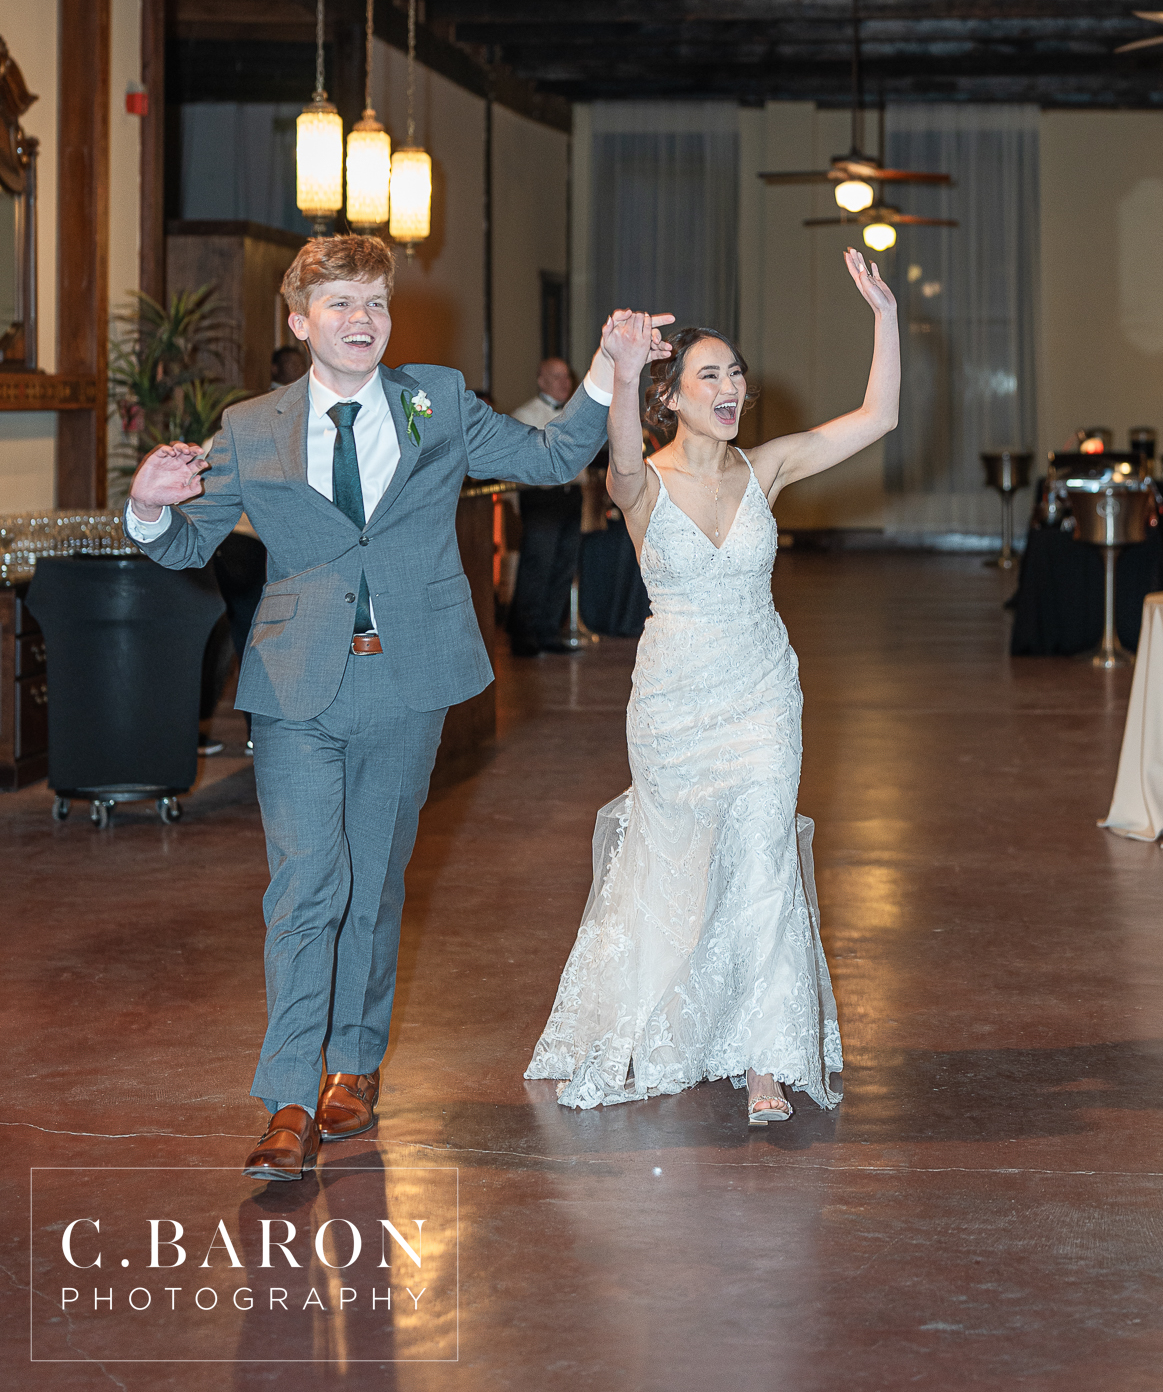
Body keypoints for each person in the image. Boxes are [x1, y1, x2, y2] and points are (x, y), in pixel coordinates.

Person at [123, 233, 671, 1183]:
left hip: (407, 680)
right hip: (296, 685)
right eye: (340, 304)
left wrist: (607, 367)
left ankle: (354, 1063)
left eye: (375, 303)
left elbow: (551, 457)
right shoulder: (250, 426)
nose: (362, 319)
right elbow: (182, 546)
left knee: (372, 882)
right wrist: (148, 504)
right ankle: (289, 1098)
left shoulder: (437, 401)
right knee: (306, 885)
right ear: (301, 323)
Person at [526, 245, 899, 1128]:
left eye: (736, 374)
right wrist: (622, 369)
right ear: (672, 396)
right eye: (710, 375)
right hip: (673, 704)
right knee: (678, 871)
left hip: (764, 691)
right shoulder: (640, 484)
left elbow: (878, 417)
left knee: (765, 858)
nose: (731, 388)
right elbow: (619, 451)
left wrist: (884, 316)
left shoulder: (765, 469)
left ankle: (766, 1055)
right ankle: (664, 1024)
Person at [507, 356, 595, 657]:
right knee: (538, 566)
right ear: (541, 380)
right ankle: (524, 635)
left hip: (571, 495)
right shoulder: (524, 415)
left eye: (567, 376)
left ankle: (548, 632)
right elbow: (516, 463)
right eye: (556, 377)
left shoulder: (573, 413)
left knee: (563, 566)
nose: (564, 382)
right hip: (542, 498)